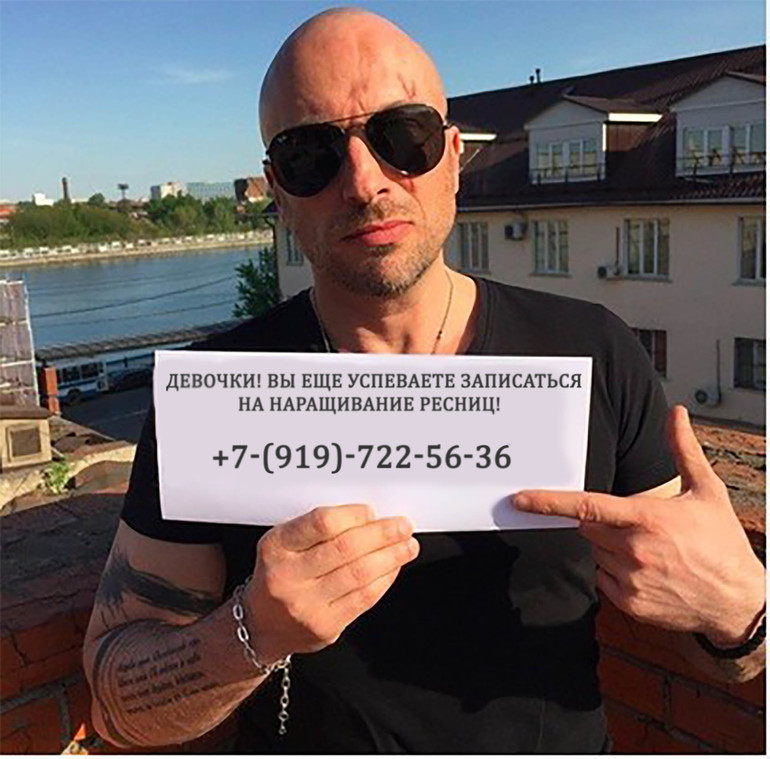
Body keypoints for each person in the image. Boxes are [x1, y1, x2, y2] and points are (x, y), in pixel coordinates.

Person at [82, 8, 766, 753]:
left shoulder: (592, 351)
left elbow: (717, 637)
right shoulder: (219, 396)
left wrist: (739, 609)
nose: (364, 181)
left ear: (453, 156)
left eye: (402, 135)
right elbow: (118, 705)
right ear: (278, 190)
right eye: (311, 154)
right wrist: (252, 631)